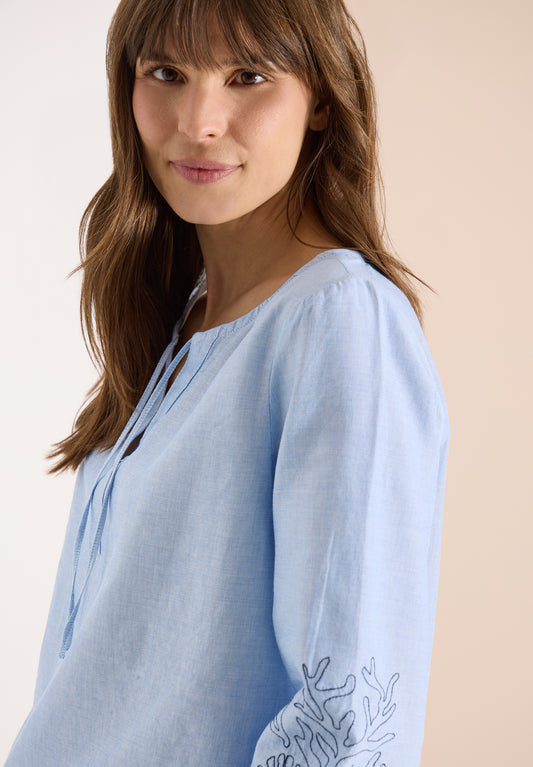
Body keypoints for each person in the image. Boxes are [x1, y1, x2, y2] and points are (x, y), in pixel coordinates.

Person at [5, 0, 449, 765]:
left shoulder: (339, 321)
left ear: (319, 98)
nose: (198, 122)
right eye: (165, 73)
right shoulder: (181, 319)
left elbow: (345, 716)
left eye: (247, 76)